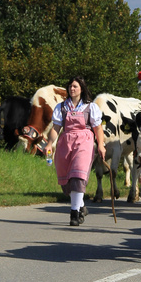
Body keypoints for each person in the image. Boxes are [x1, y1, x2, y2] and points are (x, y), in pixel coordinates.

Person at [42, 76, 106, 226]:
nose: (72, 89)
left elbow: (98, 128)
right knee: (67, 180)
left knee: (78, 175)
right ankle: (81, 205)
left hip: (85, 141)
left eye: (75, 86)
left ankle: (74, 214)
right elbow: (56, 128)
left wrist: (101, 145)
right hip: (66, 141)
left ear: (81, 89)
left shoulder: (91, 107)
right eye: (70, 86)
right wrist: (50, 143)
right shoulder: (62, 107)